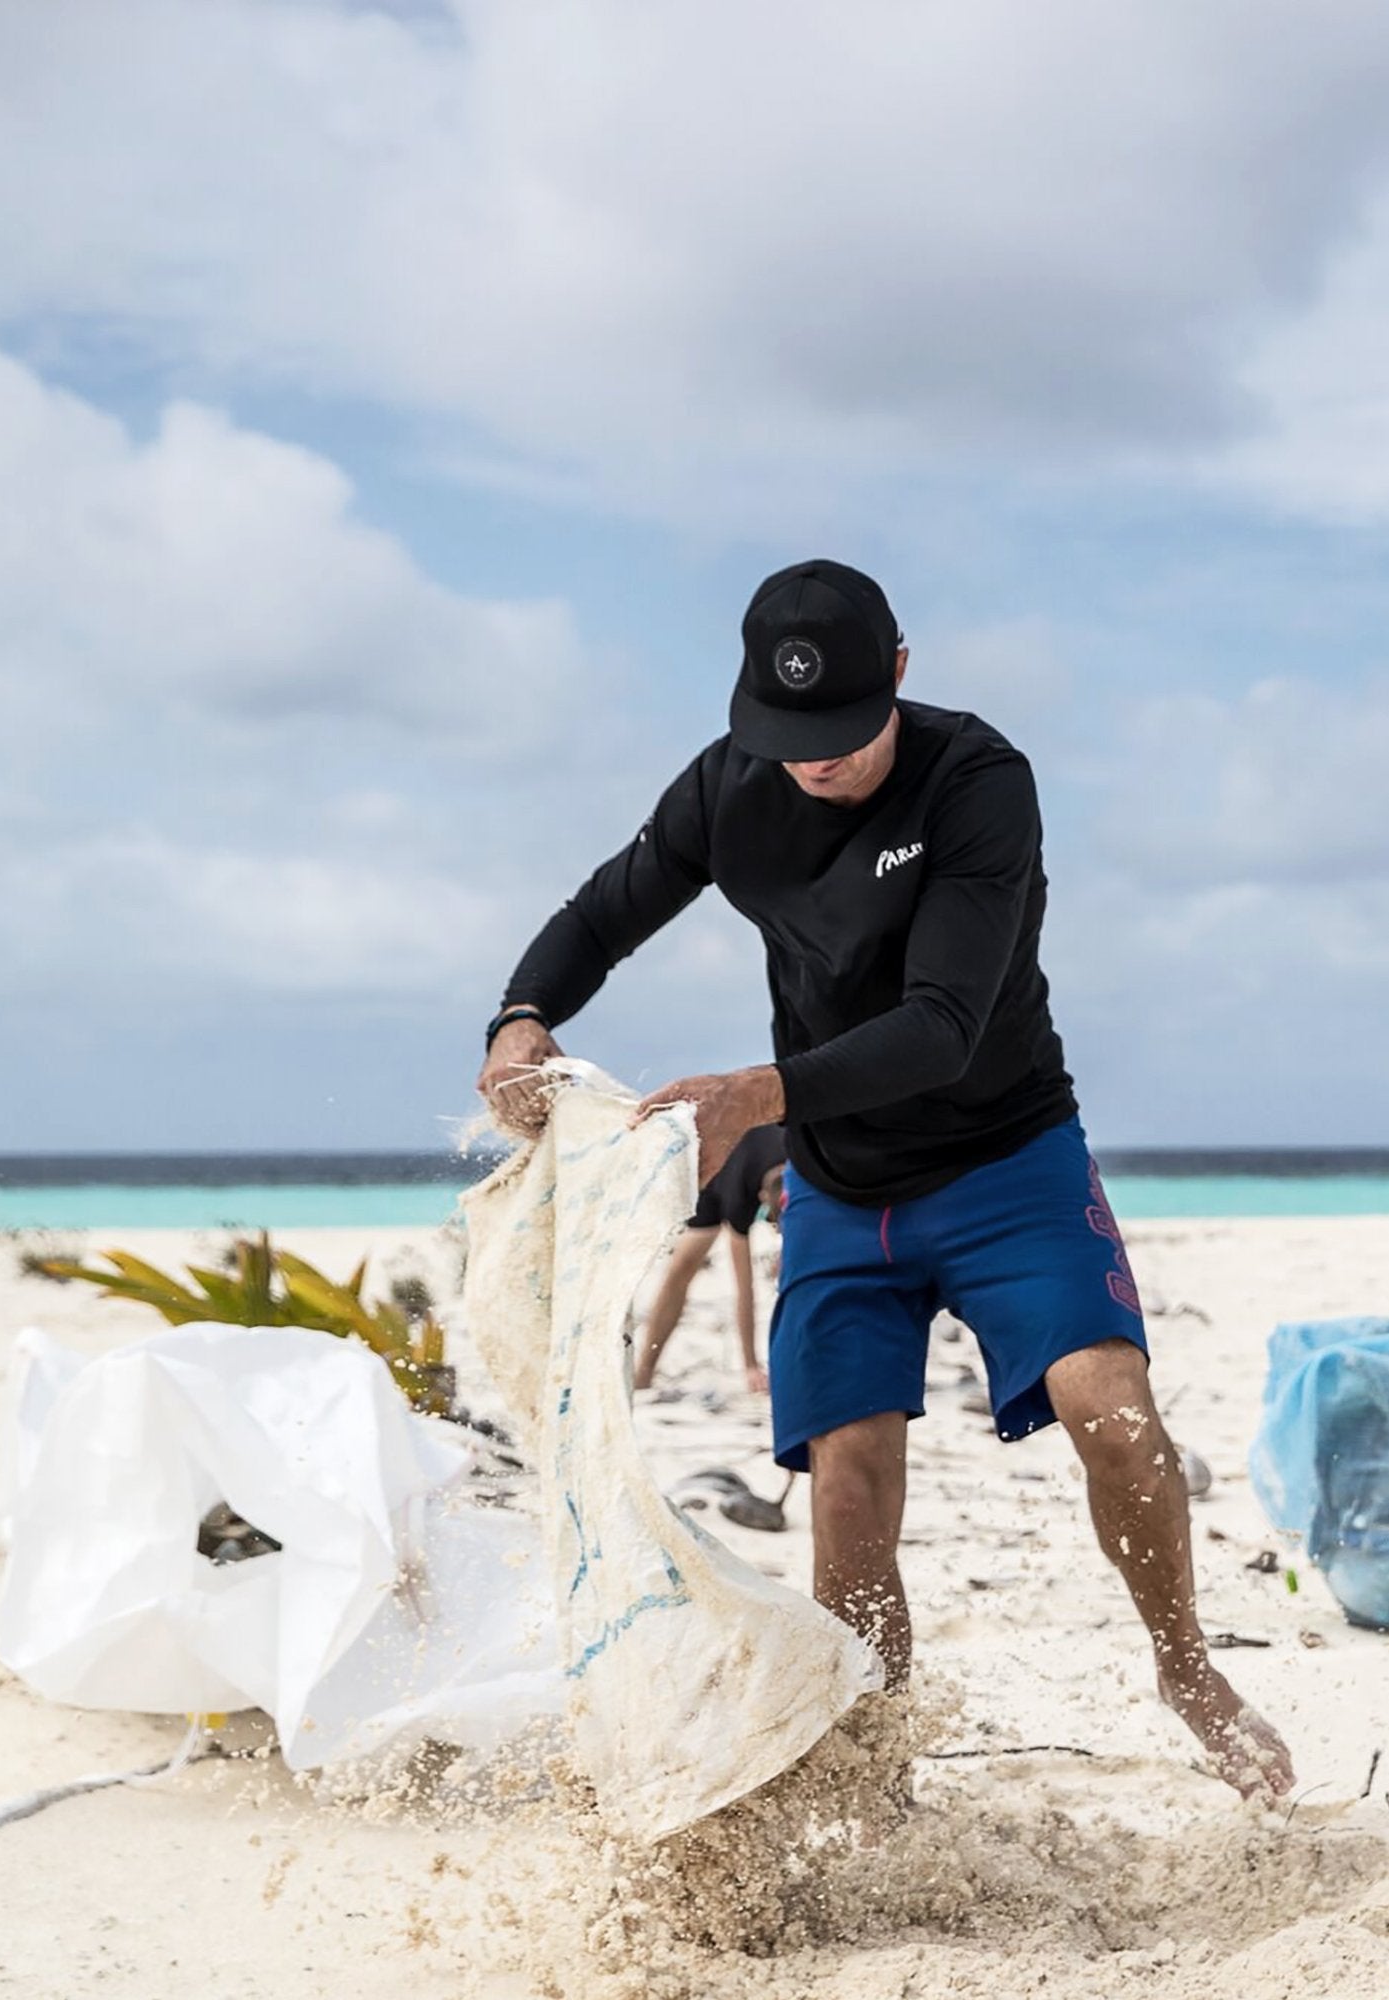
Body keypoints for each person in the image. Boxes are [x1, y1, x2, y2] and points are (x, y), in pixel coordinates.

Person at [476, 557, 1294, 1804]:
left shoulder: (977, 783)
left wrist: (752, 1094)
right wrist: (523, 1016)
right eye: (792, 736)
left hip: (1005, 1157)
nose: (820, 760)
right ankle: (878, 1767)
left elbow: (943, 1025)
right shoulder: (728, 786)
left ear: (899, 675)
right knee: (848, 1474)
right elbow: (603, 912)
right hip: (843, 1191)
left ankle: (1184, 1666)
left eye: (847, 735)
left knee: (1110, 1406)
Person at [632, 1123, 785, 1394]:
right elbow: (744, 1288)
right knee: (681, 1267)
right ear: (761, 1200)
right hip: (716, 1167)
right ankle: (644, 1371)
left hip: (761, 1155)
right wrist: (750, 1366)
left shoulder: (803, 1174)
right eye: (773, 1224)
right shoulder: (739, 1202)